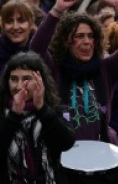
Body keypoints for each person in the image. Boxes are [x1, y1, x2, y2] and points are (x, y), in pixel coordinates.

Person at [30, 0, 118, 142]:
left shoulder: (106, 69)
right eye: (79, 36)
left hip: (100, 156)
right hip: (62, 157)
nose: (87, 42)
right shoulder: (54, 70)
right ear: (66, 41)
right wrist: (57, 10)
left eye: (91, 36)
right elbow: (36, 48)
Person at [0, 51, 76, 184]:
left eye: (26, 79)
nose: (19, 86)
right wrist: (13, 116)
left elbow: (67, 142)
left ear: (39, 81)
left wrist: (42, 109)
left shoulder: (52, 108)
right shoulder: (3, 111)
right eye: (14, 79)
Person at [0, 0, 35, 75]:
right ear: (3, 25)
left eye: (21, 21)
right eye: (9, 21)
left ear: (31, 23)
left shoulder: (42, 48)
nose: (15, 27)